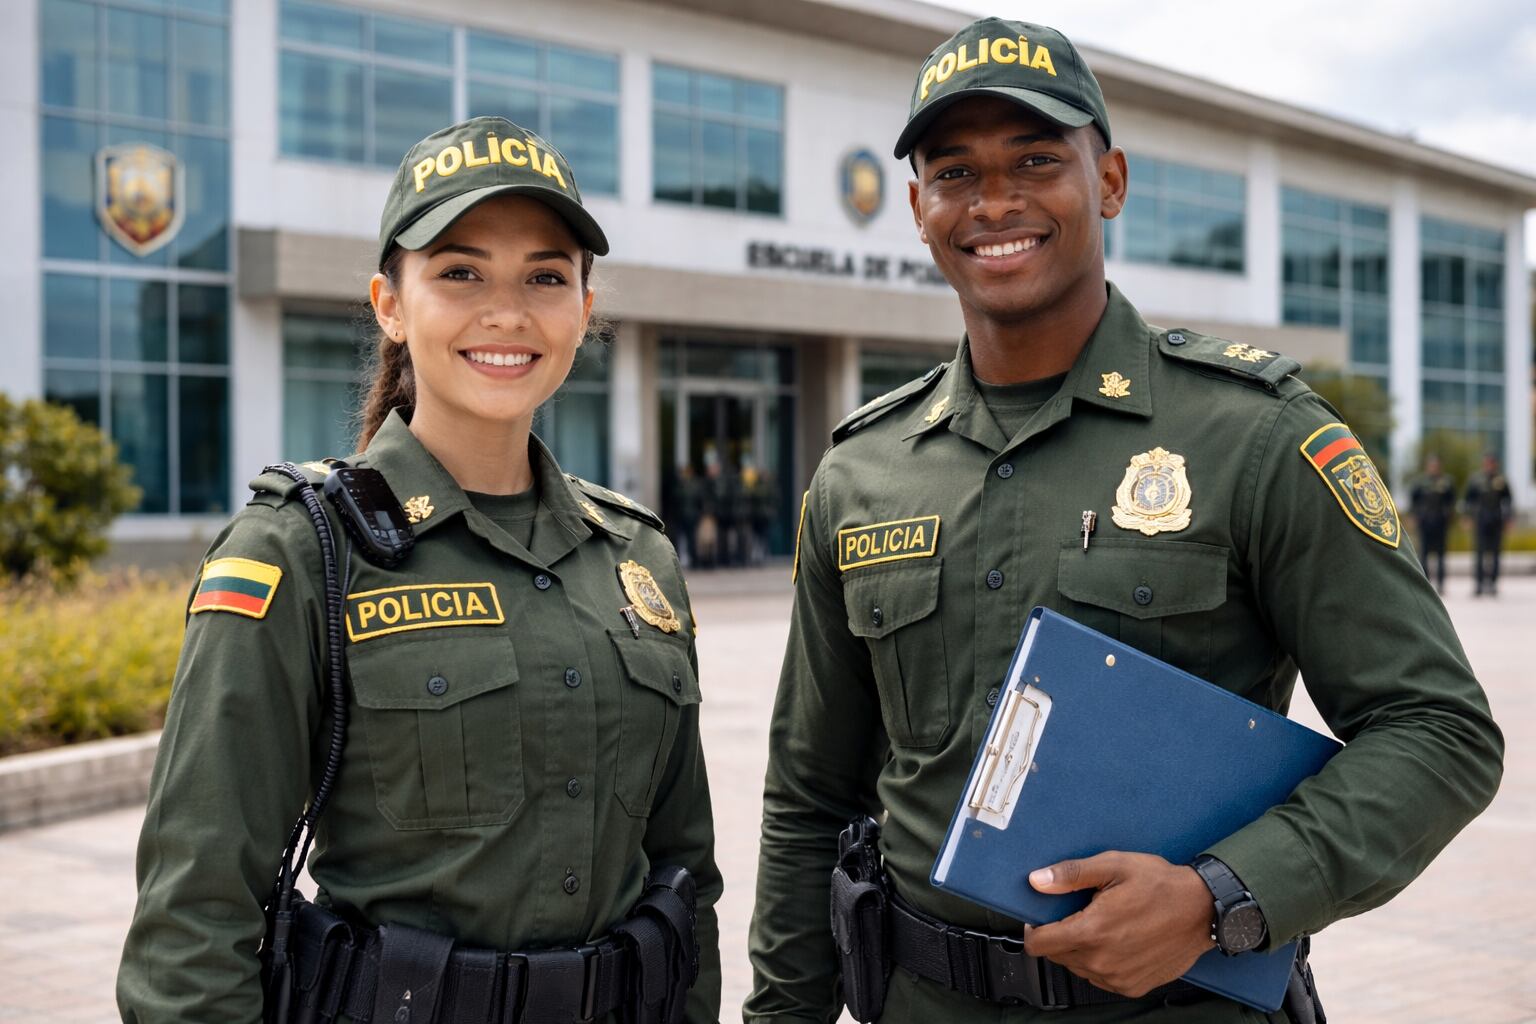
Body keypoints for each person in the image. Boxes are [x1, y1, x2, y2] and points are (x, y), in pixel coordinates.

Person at [746, 17, 1502, 1024]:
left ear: (1110, 183)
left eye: (1036, 160)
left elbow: (1438, 729)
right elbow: (808, 800)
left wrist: (1221, 896)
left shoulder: (1255, 436)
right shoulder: (862, 472)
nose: (996, 201)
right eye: (956, 171)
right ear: (919, 208)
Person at [117, 117, 721, 1023]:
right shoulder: (299, 550)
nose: (508, 312)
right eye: (460, 272)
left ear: (585, 311)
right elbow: (195, 916)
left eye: (546, 277)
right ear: (389, 304)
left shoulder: (637, 557)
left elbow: (685, 880)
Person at [1463, 452, 1514, 596]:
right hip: (1480, 520)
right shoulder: (1476, 480)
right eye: (1487, 463)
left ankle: (1493, 583)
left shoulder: (1501, 480)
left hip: (1496, 521)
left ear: (1495, 464)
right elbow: (1468, 499)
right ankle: (1478, 584)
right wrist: (1467, 516)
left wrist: (1508, 518)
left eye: (1491, 463)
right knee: (1479, 552)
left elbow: (1508, 500)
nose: (1489, 466)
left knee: (1496, 553)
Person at [1409, 454, 1457, 593]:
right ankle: (1426, 584)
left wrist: (1449, 515)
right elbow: (1413, 501)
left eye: (1436, 466)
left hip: (1440, 523)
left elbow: (1451, 501)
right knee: (1423, 554)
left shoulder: (1446, 482)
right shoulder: (1420, 482)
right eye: (1431, 465)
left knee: (1441, 555)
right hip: (1424, 522)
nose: (1433, 468)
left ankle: (1441, 584)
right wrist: (1414, 517)